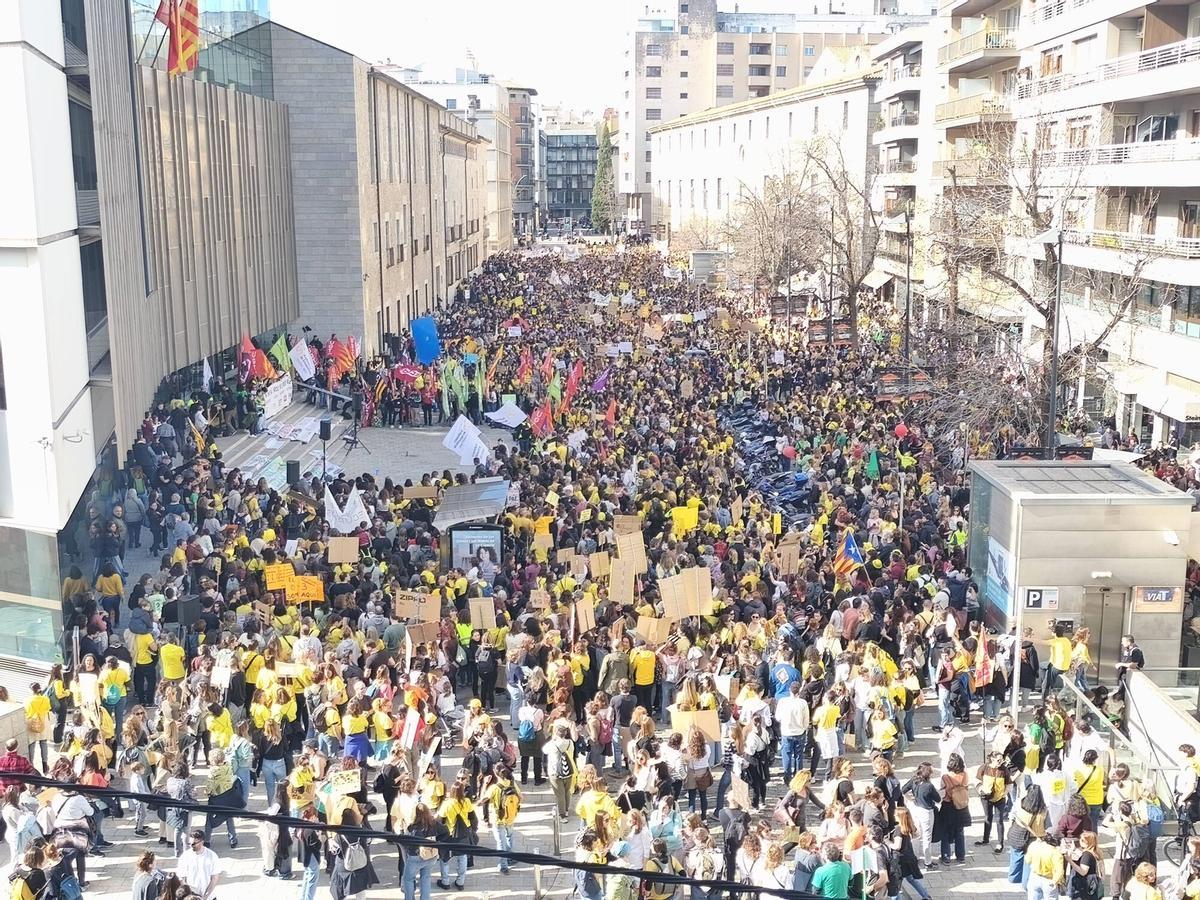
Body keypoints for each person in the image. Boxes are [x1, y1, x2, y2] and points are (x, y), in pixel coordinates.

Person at [480, 764, 521, 874]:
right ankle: (510, 858)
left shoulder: (495, 787)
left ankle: (503, 865)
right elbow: (521, 797)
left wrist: (485, 784)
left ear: (495, 773)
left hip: (498, 818)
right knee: (509, 837)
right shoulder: (512, 783)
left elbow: (481, 801)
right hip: (510, 816)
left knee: (500, 842)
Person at [175, 828, 221, 900]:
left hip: (209, 897)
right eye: (190, 843)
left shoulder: (212, 856)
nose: (191, 846)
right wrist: (191, 895)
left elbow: (214, 878)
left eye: (194, 844)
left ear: (202, 842)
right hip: (192, 896)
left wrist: (205, 896)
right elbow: (182, 878)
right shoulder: (185, 856)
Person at [1026, 833, 1065, 900]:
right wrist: (1055, 881)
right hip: (1049, 880)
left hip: (1034, 877)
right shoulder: (1056, 853)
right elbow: (1059, 871)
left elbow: (1027, 860)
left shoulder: (1034, 846)